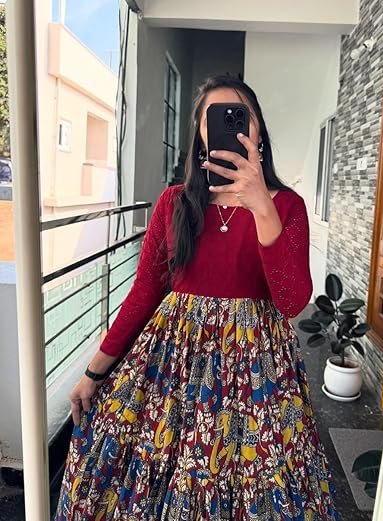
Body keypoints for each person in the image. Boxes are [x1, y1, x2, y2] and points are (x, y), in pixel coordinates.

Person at [54, 75, 340, 521]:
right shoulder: (174, 203)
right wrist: (93, 372)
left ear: (258, 131)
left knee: (257, 482)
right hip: (174, 372)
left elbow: (291, 301)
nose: (229, 126)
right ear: (201, 135)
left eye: (241, 115)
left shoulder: (286, 206)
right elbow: (144, 293)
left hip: (256, 377)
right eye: (215, 118)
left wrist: (261, 205)